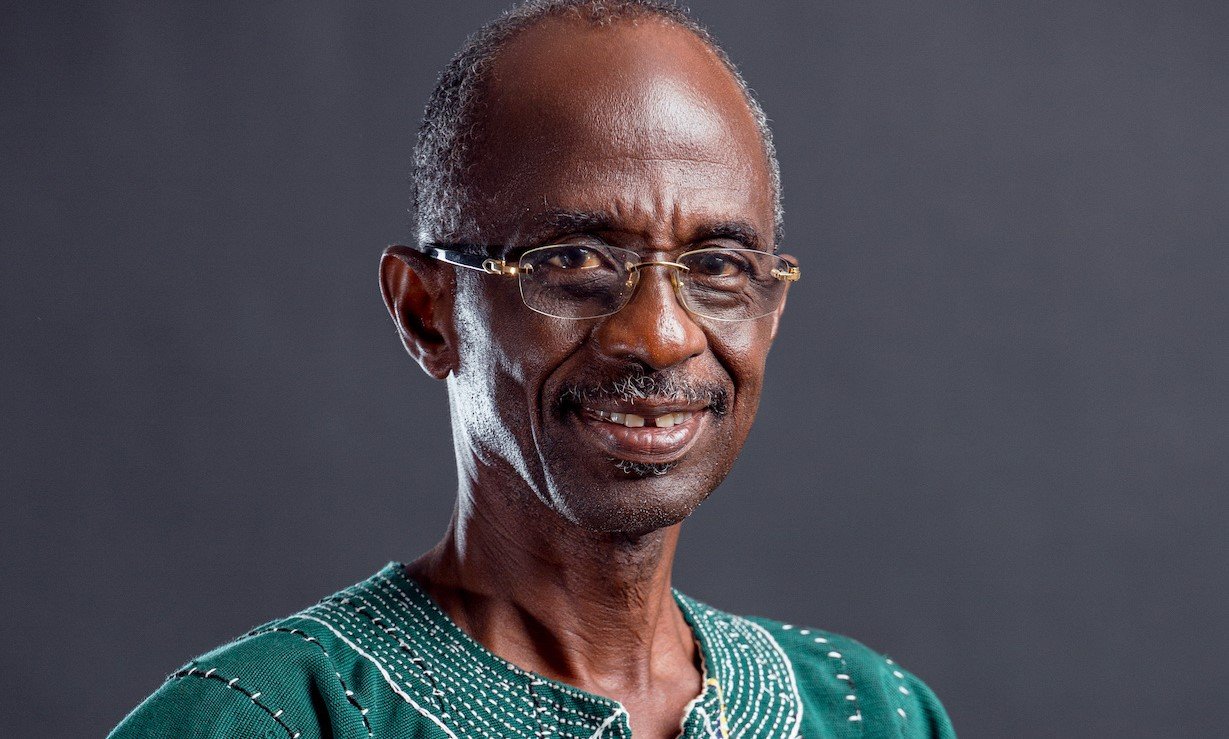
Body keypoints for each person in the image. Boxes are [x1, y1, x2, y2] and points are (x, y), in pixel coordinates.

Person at [112, 1, 955, 737]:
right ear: (425, 311)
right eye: (577, 258)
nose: (659, 335)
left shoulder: (870, 713)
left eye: (717, 265)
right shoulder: (267, 720)